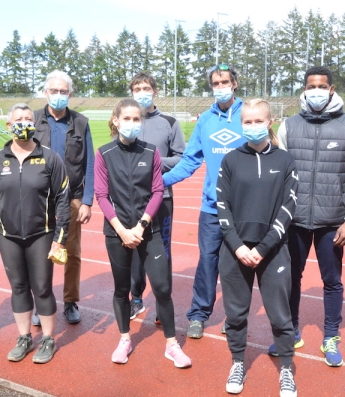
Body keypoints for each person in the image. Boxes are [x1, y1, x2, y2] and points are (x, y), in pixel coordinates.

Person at [268, 66, 345, 367]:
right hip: (294, 219)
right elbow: (279, 172)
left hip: (332, 220)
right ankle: (291, 331)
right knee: (290, 278)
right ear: (304, 89)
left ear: (332, 89)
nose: (316, 91)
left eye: (322, 86)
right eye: (311, 86)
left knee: (332, 280)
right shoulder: (289, 126)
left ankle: (331, 336)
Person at [95, 99, 191, 368]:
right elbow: (101, 195)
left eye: (137, 119)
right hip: (117, 233)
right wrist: (122, 230)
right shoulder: (104, 153)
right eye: (127, 119)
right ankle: (125, 339)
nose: (133, 124)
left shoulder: (151, 152)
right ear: (115, 120)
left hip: (148, 230)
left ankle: (172, 345)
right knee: (122, 288)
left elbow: (158, 190)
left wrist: (141, 225)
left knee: (162, 287)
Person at [217, 99, 298, 396]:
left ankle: (287, 368)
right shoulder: (230, 160)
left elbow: (287, 209)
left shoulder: (285, 161)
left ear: (270, 121)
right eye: (247, 122)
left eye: (257, 121)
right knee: (236, 314)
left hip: (273, 250)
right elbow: (221, 207)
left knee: (280, 314)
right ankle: (238, 361)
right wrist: (238, 247)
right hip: (235, 251)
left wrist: (263, 248)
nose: (252, 127)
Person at [0, 104, 70, 364]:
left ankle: (48, 339)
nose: (23, 123)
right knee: (19, 287)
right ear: (9, 126)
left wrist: (60, 240)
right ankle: (24, 337)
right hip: (8, 237)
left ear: (35, 124)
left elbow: (63, 200)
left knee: (42, 288)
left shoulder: (50, 158)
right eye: (18, 119)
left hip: (41, 235)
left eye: (28, 119)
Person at [163, 64, 245, 339]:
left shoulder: (248, 116)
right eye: (215, 83)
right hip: (211, 208)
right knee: (207, 262)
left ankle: (233, 317)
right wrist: (160, 182)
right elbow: (189, 161)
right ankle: (198, 314)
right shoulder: (205, 120)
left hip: (242, 210)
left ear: (235, 83)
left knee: (236, 264)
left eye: (224, 81)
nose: (220, 87)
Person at [33, 70, 95, 325]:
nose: (58, 95)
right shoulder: (33, 119)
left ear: (70, 94)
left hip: (72, 198)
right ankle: (41, 301)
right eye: (53, 91)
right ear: (45, 92)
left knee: (71, 253)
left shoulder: (81, 122)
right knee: (38, 252)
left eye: (63, 91)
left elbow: (90, 163)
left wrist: (88, 200)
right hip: (38, 198)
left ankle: (70, 302)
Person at [127, 72, 186, 321]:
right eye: (138, 88)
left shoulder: (169, 122)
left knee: (162, 252)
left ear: (155, 91)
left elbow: (181, 157)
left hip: (162, 198)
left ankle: (163, 304)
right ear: (132, 92)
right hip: (130, 200)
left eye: (146, 87)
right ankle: (136, 299)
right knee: (133, 250)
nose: (142, 92)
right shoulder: (126, 120)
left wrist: (154, 163)